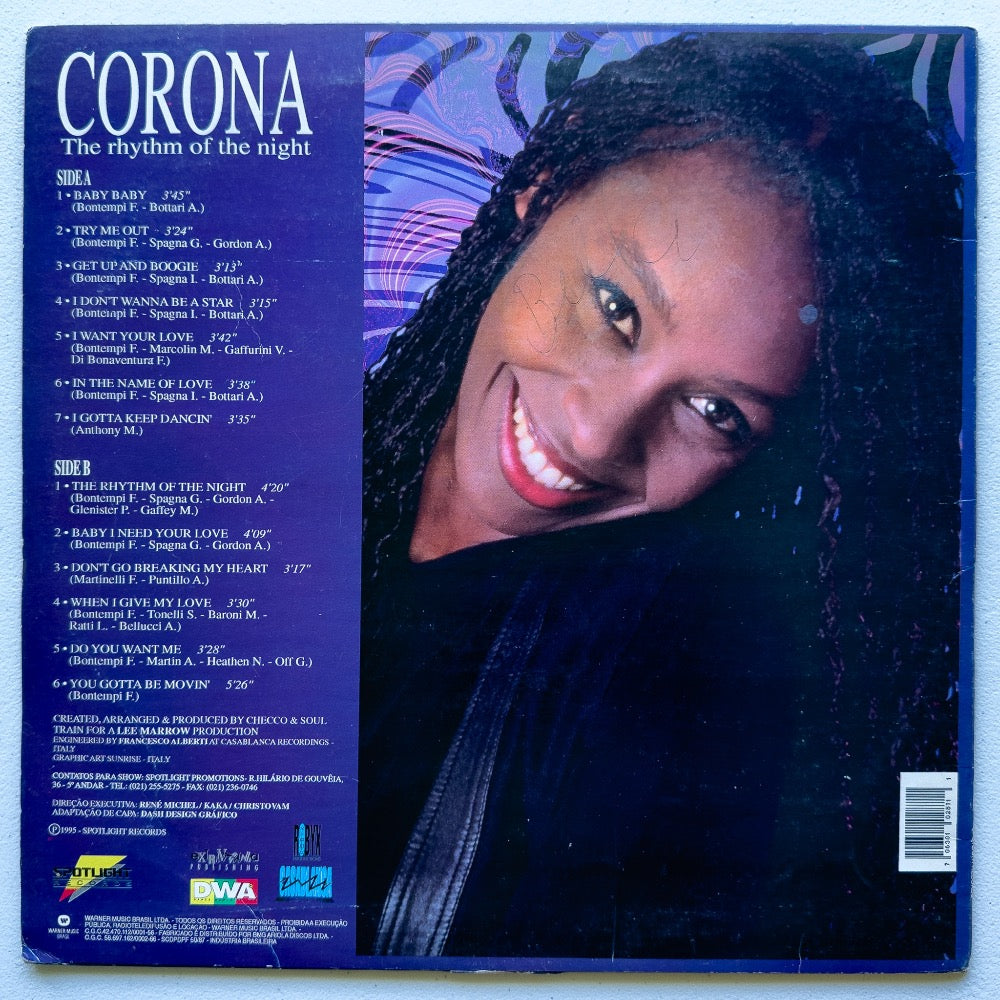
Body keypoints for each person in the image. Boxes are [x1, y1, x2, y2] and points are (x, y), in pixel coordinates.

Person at [359, 32, 965, 960]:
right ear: (547, 189)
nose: (598, 437)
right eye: (616, 310)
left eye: (717, 412)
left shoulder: (672, 671)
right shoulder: (281, 467)